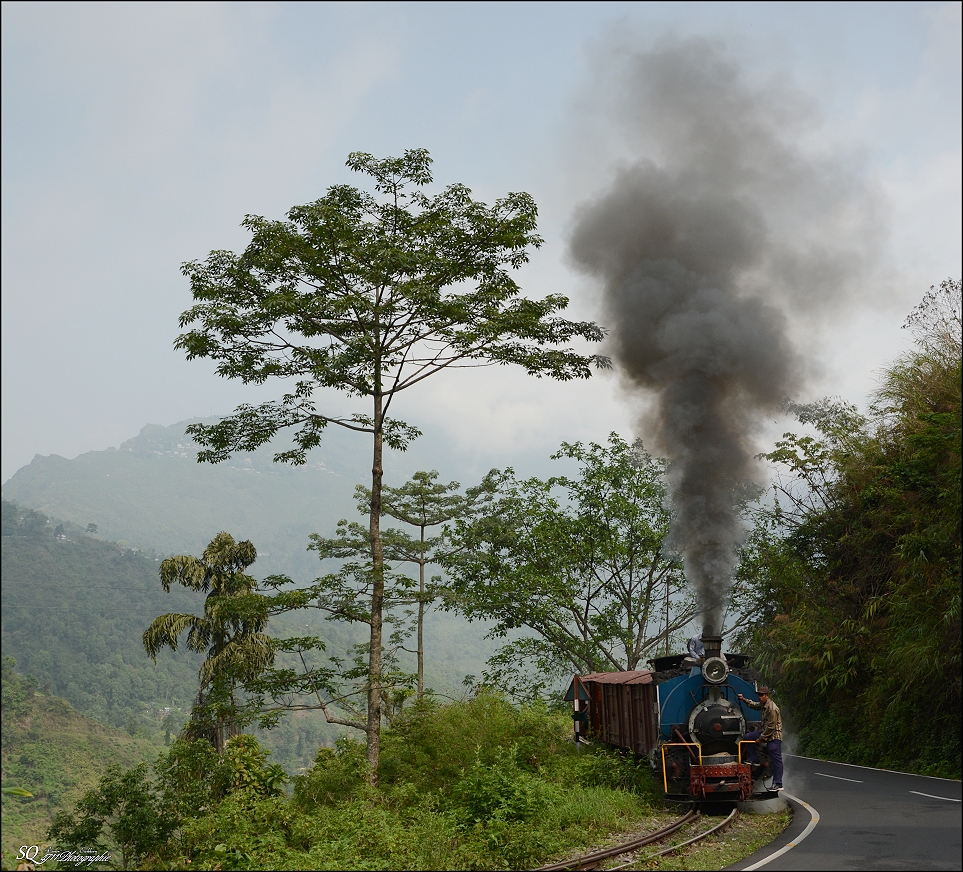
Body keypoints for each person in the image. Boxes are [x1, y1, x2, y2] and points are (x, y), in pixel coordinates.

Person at [737, 686, 784, 791]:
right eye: (759, 695)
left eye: (762, 695)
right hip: (765, 732)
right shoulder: (763, 705)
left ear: (767, 696)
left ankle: (778, 783)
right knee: (748, 737)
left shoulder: (772, 708)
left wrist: (761, 739)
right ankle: (754, 759)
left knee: (776, 759)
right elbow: (754, 705)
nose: (759, 697)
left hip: (774, 736)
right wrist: (744, 699)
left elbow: (771, 727)